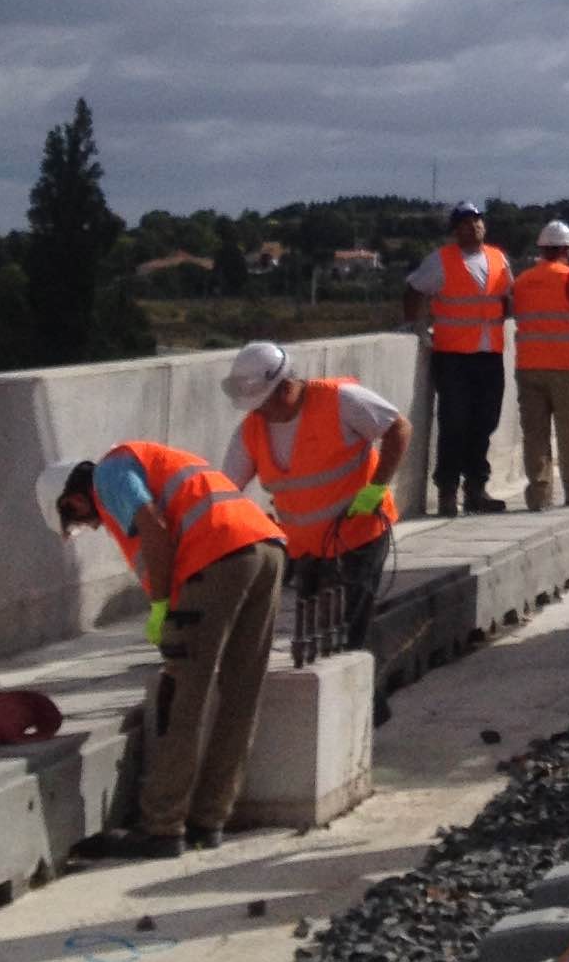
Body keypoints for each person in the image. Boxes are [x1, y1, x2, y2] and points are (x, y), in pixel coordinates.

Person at [36, 443, 285, 856]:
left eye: (77, 517)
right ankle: (210, 819)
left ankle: (163, 826)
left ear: (72, 498)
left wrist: (162, 606)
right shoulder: (153, 461)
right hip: (266, 549)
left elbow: (151, 524)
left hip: (216, 558)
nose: (92, 525)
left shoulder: (109, 473)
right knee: (242, 692)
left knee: (182, 693)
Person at [219, 340, 408, 712]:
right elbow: (224, 491)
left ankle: (362, 713)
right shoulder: (252, 430)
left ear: (286, 386)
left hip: (359, 535)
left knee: (346, 626)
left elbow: (398, 429)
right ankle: (352, 710)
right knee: (318, 633)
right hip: (306, 547)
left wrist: (375, 489)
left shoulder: (342, 400)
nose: (259, 414)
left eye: (263, 403)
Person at [402, 199, 513, 515]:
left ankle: (476, 489)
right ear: (455, 230)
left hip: (489, 353)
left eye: (477, 220)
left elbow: (506, 299)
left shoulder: (498, 259)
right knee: (454, 424)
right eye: (465, 222)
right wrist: (417, 325)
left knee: (485, 423)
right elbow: (413, 289)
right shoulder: (441, 261)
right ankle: (448, 491)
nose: (473, 226)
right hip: (453, 356)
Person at [512, 219, 569, 510]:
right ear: (567, 249)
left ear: (541, 249)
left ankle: (539, 495)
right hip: (566, 365)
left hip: (528, 365)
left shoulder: (523, 280)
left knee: (535, 433)